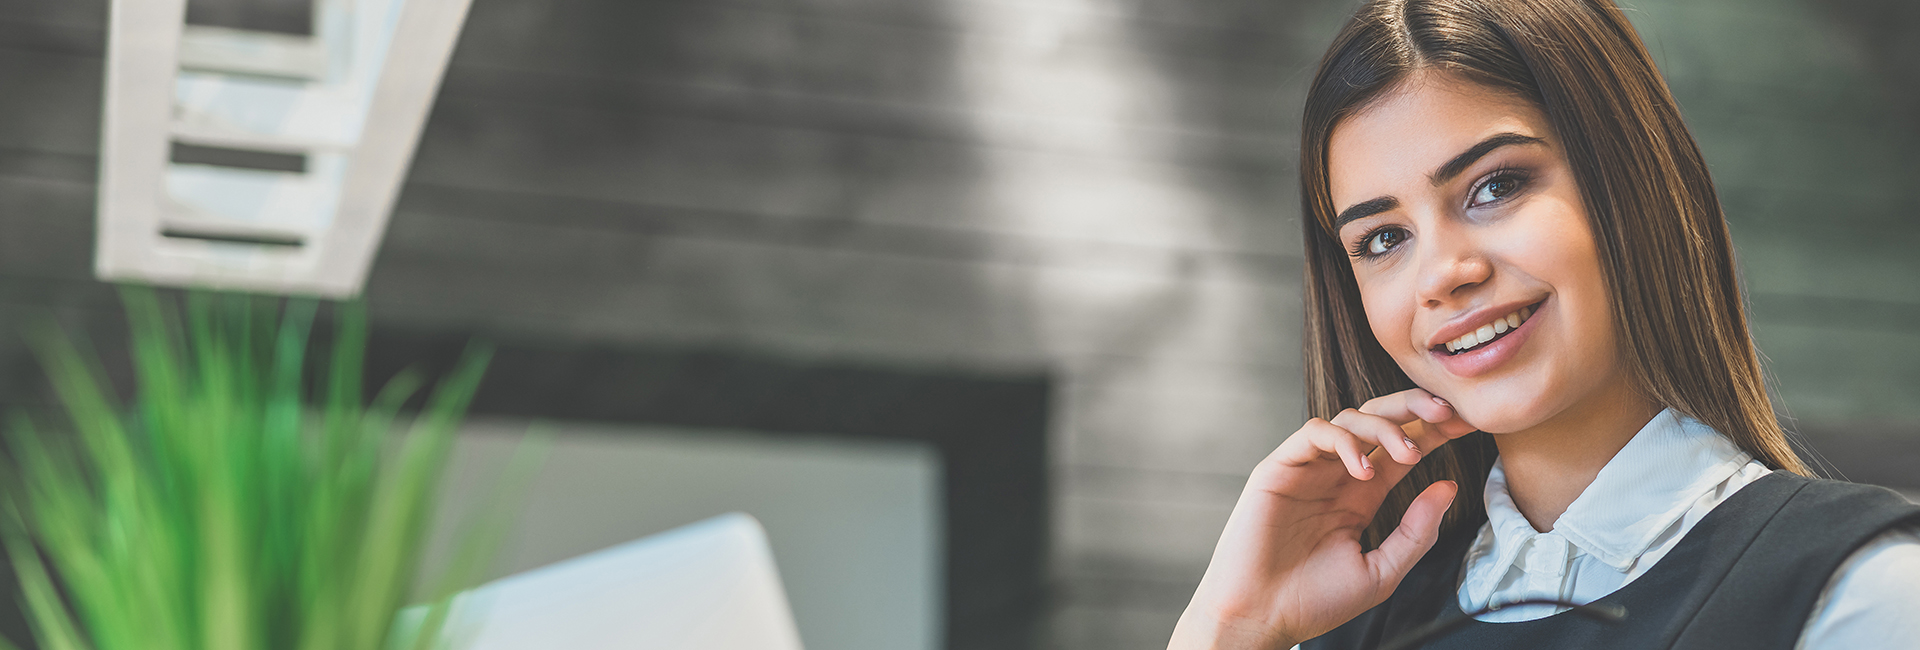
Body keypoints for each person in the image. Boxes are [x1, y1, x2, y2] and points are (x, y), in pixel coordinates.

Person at [1164, 0, 1920, 648]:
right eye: (1383, 239)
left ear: (1630, 182)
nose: (1443, 274)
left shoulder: (1857, 592)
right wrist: (1228, 627)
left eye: (1495, 186)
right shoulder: (1348, 622)